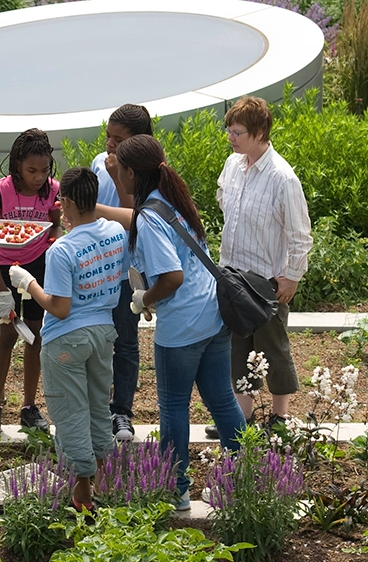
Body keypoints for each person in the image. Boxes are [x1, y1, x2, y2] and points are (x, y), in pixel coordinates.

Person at [115, 134, 246, 511]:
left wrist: (144, 299)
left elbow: (172, 277)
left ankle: (176, 490)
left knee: (173, 406)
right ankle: (244, 477)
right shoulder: (174, 197)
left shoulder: (149, 217)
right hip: (213, 314)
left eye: (118, 167)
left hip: (184, 326)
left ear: (129, 173)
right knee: (221, 399)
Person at [9, 167, 126, 511]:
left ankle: (82, 496)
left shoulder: (62, 250)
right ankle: (104, 484)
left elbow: (59, 308)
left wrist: (27, 281)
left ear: (70, 202)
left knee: (71, 413)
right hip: (104, 334)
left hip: (67, 342)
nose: (58, 204)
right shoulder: (116, 232)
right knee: (97, 408)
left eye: (61, 199)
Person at [212, 96, 312, 435]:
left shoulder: (282, 178)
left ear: (259, 133)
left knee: (272, 347)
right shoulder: (233, 166)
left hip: (266, 279)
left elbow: (300, 233)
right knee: (237, 346)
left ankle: (280, 419)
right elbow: (223, 198)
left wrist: (291, 277)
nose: (231, 136)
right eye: (229, 130)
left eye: (237, 131)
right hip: (233, 272)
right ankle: (243, 419)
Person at [0, 128, 62, 438]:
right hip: (6, 267)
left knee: (35, 335)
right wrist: (0, 286)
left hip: (38, 267)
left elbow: (54, 226)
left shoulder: (51, 190)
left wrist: (54, 242)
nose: (39, 177)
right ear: (16, 165)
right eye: (31, 171)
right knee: (7, 336)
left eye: (44, 170)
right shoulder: (0, 192)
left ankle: (29, 406)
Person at [89, 103, 152, 442]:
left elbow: (136, 216)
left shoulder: (148, 172)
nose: (110, 145)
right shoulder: (100, 162)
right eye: (108, 137)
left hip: (128, 269)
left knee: (125, 341)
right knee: (97, 339)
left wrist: (117, 175)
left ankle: (122, 411)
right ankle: (97, 407)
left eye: (119, 139)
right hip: (99, 265)